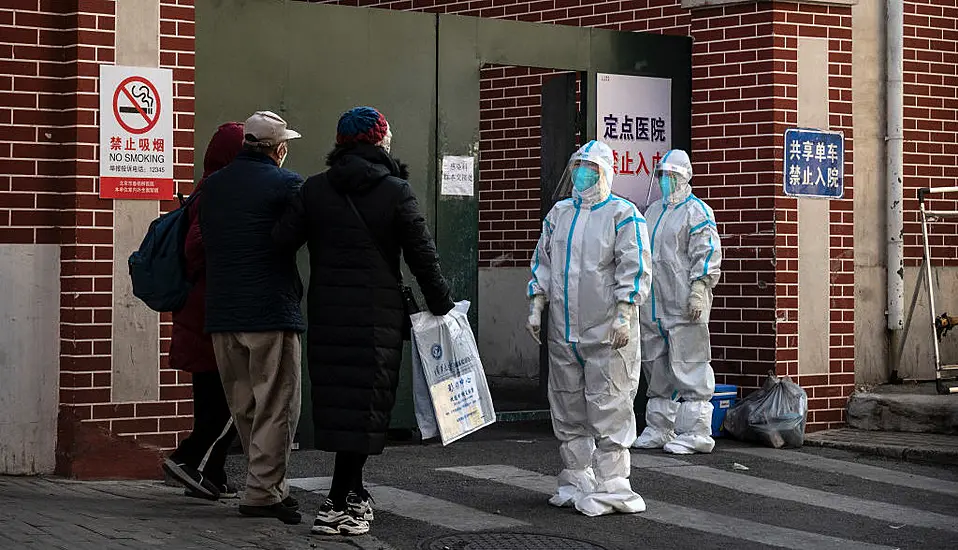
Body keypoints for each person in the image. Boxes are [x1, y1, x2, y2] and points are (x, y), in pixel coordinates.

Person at [273, 106, 455, 536]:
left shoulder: (314, 190)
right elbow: (422, 257)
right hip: (377, 316)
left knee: (342, 404)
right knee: (366, 404)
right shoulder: (395, 192)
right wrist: (442, 305)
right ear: (379, 142)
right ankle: (339, 502)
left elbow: (280, 242)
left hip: (328, 313)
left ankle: (352, 491)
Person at [526, 140, 652, 517]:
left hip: (607, 333)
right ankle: (577, 475)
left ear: (606, 173)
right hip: (564, 332)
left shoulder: (623, 214)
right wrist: (536, 304)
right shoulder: (559, 214)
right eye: (578, 166)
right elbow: (543, 262)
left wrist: (624, 313)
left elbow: (635, 266)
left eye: (590, 168)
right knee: (567, 403)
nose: (582, 174)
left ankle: (613, 484)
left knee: (610, 402)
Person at [199, 110, 305, 524]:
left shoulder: (214, 186)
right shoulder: (287, 184)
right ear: (278, 149)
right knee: (276, 404)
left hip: (223, 312)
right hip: (269, 309)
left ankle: (266, 485)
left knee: (243, 404)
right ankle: (263, 492)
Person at [164, 122, 244, 501]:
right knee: (232, 401)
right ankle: (187, 459)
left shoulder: (205, 190)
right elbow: (196, 249)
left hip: (201, 315)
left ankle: (209, 473)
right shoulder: (216, 194)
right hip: (210, 316)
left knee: (217, 402)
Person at [632, 149, 722, 455]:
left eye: (673, 176)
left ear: (685, 177)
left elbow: (706, 253)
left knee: (690, 363)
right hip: (654, 304)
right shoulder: (653, 211)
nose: (666, 181)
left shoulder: (697, 211)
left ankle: (696, 432)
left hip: (684, 303)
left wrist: (699, 289)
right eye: (662, 176)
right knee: (655, 367)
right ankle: (659, 427)